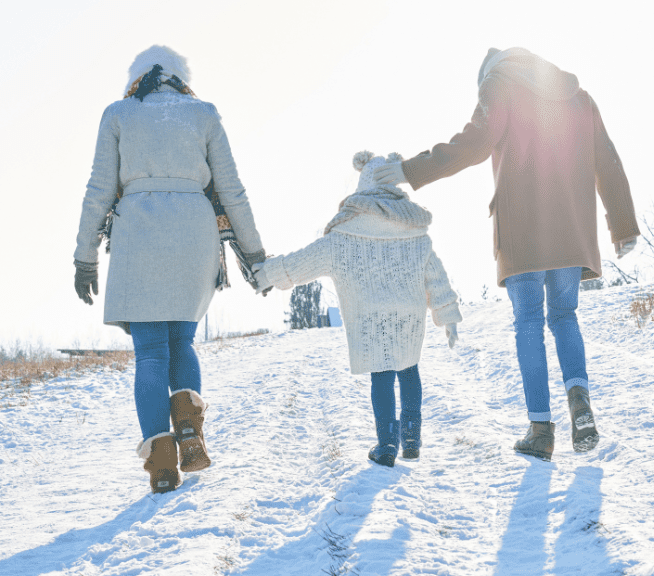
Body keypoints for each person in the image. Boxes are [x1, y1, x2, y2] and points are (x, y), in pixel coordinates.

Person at [373, 47, 640, 461]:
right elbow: (607, 158)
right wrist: (622, 225)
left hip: (522, 230)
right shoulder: (578, 97)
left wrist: (411, 170)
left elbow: (475, 143)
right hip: (571, 228)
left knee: (529, 322)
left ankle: (540, 430)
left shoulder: (499, 87)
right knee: (565, 317)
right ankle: (579, 397)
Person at [73, 46, 267, 493]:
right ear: (180, 77)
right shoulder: (204, 113)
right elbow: (232, 190)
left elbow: (99, 189)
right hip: (193, 235)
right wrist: (255, 255)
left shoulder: (119, 114)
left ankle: (162, 465)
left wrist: (85, 256)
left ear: (137, 78)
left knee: (151, 354)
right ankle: (190, 434)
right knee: (181, 341)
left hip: (138, 232)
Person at [254, 151, 462, 468]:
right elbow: (437, 278)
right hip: (409, 315)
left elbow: (300, 264)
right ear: (394, 188)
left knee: (381, 375)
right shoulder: (415, 231)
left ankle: (387, 444)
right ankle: (412, 438)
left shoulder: (343, 236)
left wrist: (265, 275)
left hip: (369, 316)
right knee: (409, 368)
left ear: (361, 188)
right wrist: (447, 317)